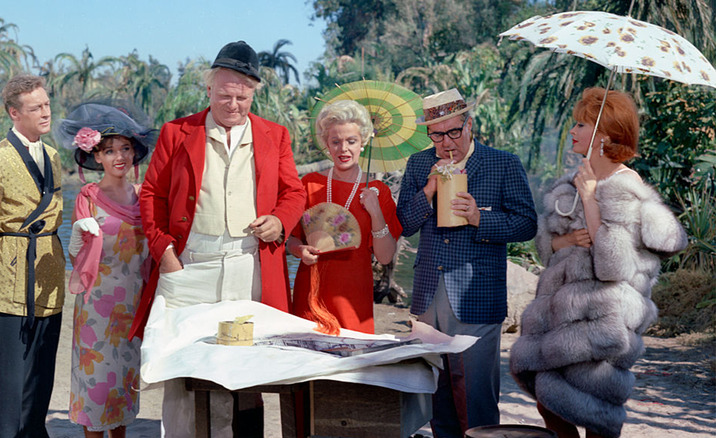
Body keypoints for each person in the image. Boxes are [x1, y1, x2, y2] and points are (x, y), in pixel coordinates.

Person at [129, 41, 306, 437]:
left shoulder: (274, 135)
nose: (233, 104)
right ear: (208, 91)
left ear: (254, 93)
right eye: (225, 95)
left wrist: (280, 221)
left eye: (242, 97)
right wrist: (165, 251)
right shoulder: (178, 132)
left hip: (248, 264)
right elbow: (152, 194)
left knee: (246, 364)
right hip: (190, 263)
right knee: (182, 364)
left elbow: (294, 193)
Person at [509, 88, 688, 438]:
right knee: (548, 397)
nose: (572, 131)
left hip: (602, 322)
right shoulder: (575, 181)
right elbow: (547, 247)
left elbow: (612, 264)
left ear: (604, 135)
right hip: (562, 319)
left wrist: (592, 198)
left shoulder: (625, 186)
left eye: (581, 124)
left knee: (594, 415)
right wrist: (566, 240)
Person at [396, 87, 537, 436]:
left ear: (470, 125)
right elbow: (405, 224)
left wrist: (479, 218)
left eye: (454, 132)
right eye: (436, 135)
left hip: (478, 293)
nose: (446, 143)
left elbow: (526, 224)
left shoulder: (502, 163)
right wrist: (427, 191)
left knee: (476, 394)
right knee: (436, 392)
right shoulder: (418, 163)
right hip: (430, 293)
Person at [0, 74, 64, 438]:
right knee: (9, 375)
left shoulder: (52, 154)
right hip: (11, 273)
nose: (45, 112)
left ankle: (35, 432)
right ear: (13, 113)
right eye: (36, 107)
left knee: (42, 368)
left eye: (47, 104)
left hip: (49, 274)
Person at [54, 103, 156, 437]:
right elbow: (78, 255)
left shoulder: (145, 197)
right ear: (96, 157)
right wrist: (77, 239)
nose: (119, 157)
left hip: (132, 305)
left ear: (135, 153)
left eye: (125, 149)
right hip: (96, 306)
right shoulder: (89, 196)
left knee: (124, 385)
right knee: (96, 388)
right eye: (110, 151)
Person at [287, 99, 402, 334]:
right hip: (310, 293)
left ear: (363, 143)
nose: (343, 149)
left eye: (351, 141)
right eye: (335, 142)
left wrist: (376, 211)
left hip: (353, 297)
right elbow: (291, 239)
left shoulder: (378, 190)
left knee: (351, 366)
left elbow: (385, 255)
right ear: (326, 144)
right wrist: (300, 251)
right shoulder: (309, 185)